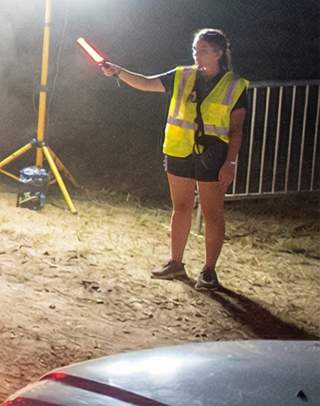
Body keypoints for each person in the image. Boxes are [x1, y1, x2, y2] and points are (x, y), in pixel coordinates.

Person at [100, 29, 250, 291]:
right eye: (194, 49)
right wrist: (119, 72)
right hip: (179, 150)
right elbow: (147, 82)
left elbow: (236, 129)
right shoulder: (182, 75)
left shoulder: (235, 85)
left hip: (213, 155)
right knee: (180, 207)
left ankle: (209, 270)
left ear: (218, 53)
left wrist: (231, 162)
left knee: (212, 213)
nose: (196, 54)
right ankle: (176, 263)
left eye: (203, 49)